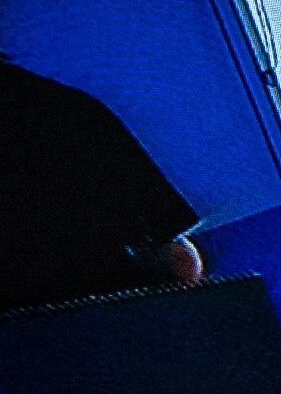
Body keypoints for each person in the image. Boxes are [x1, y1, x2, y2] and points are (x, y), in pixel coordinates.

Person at [0, 61, 206, 312]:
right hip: (106, 317)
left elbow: (178, 259)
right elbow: (179, 261)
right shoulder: (59, 108)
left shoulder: (57, 109)